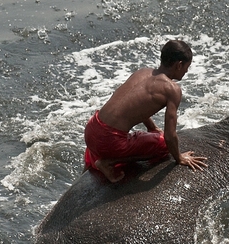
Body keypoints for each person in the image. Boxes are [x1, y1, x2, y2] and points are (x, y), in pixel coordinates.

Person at [83, 40, 207, 182]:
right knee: (163, 145)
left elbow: (132, 101)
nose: (186, 71)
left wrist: (151, 127)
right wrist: (179, 157)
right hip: (110, 140)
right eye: (186, 67)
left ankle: (95, 158)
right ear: (179, 65)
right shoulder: (172, 89)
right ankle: (108, 162)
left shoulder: (142, 72)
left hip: (92, 129)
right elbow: (169, 136)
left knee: (149, 133)